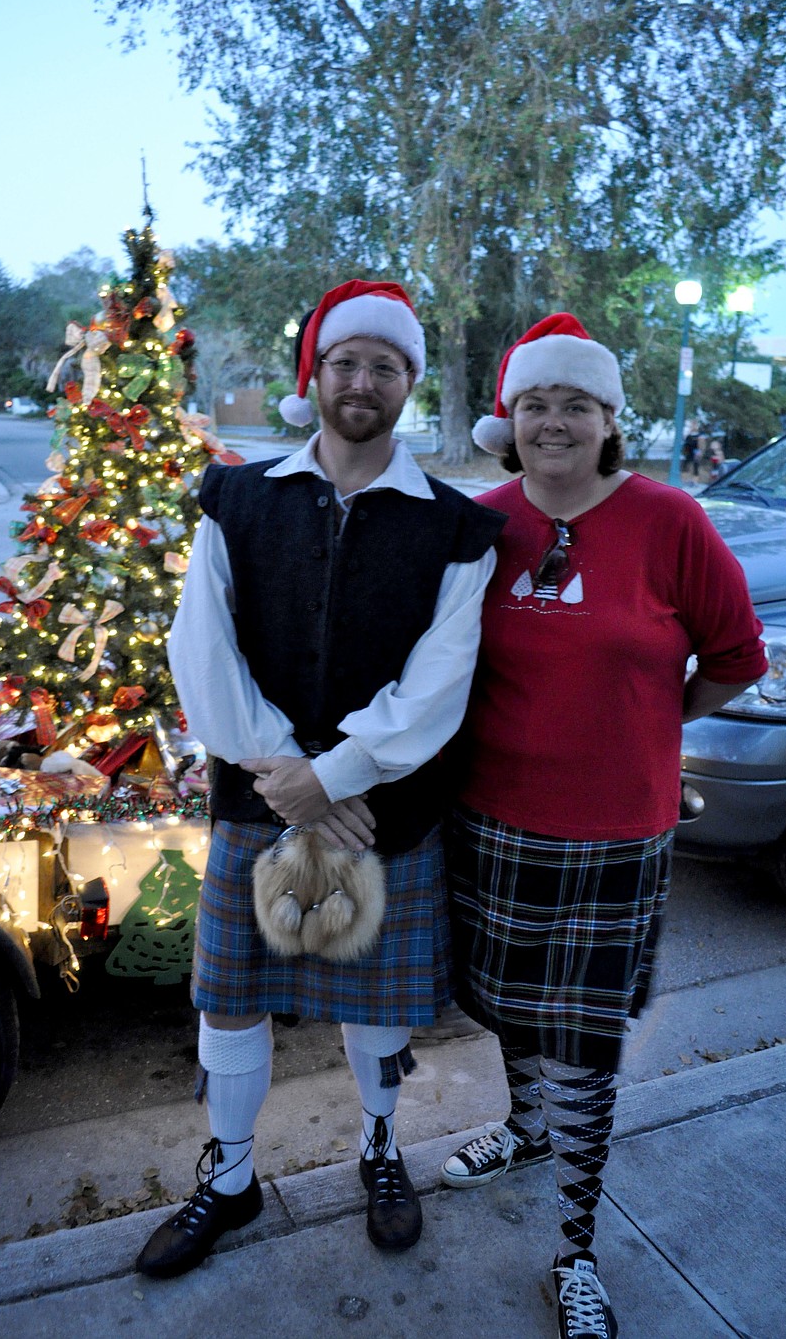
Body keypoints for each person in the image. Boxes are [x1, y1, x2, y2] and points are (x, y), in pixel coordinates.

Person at [135, 279, 505, 1279]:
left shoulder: (457, 529)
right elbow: (201, 651)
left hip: (381, 811)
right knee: (230, 1001)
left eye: (385, 364)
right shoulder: (237, 495)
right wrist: (295, 779)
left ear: (408, 384)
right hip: (263, 796)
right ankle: (230, 1172)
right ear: (317, 373)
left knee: (373, 1002)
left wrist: (337, 774)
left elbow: (437, 685)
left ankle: (380, 1146)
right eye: (346, 360)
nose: (362, 379)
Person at [438, 313, 767, 1339]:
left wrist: (651, 720)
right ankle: (524, 1127)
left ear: (608, 418)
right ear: (511, 417)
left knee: (582, 1037)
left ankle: (574, 1245)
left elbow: (736, 655)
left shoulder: (671, 520)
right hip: (492, 819)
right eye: (534, 403)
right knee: (509, 1003)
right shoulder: (482, 521)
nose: (552, 421)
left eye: (573, 403)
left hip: (614, 830)